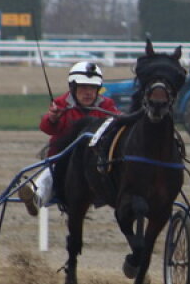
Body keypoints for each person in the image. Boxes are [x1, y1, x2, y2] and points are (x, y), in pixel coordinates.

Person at [18, 60, 118, 215]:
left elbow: (118, 124)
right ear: (73, 87)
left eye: (92, 88)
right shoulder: (60, 104)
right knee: (50, 172)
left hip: (95, 161)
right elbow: (47, 128)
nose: (88, 92)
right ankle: (35, 198)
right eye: (83, 87)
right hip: (64, 159)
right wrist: (52, 118)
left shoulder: (107, 106)